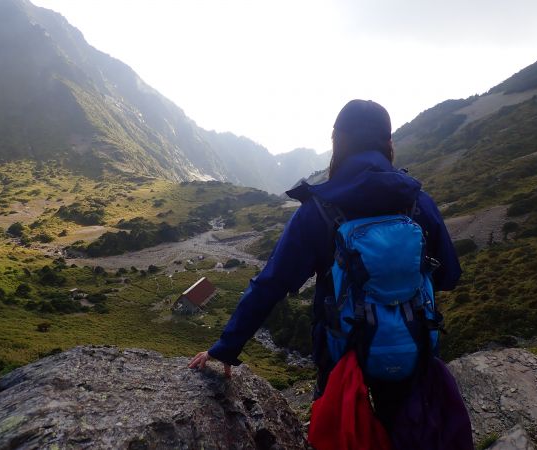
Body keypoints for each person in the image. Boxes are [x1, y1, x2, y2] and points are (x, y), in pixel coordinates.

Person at [189, 99, 462, 432]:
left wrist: (224, 350)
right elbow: (449, 275)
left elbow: (270, 285)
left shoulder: (318, 211)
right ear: (389, 144)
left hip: (342, 362)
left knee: (341, 433)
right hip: (413, 352)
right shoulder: (419, 202)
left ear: (337, 142)